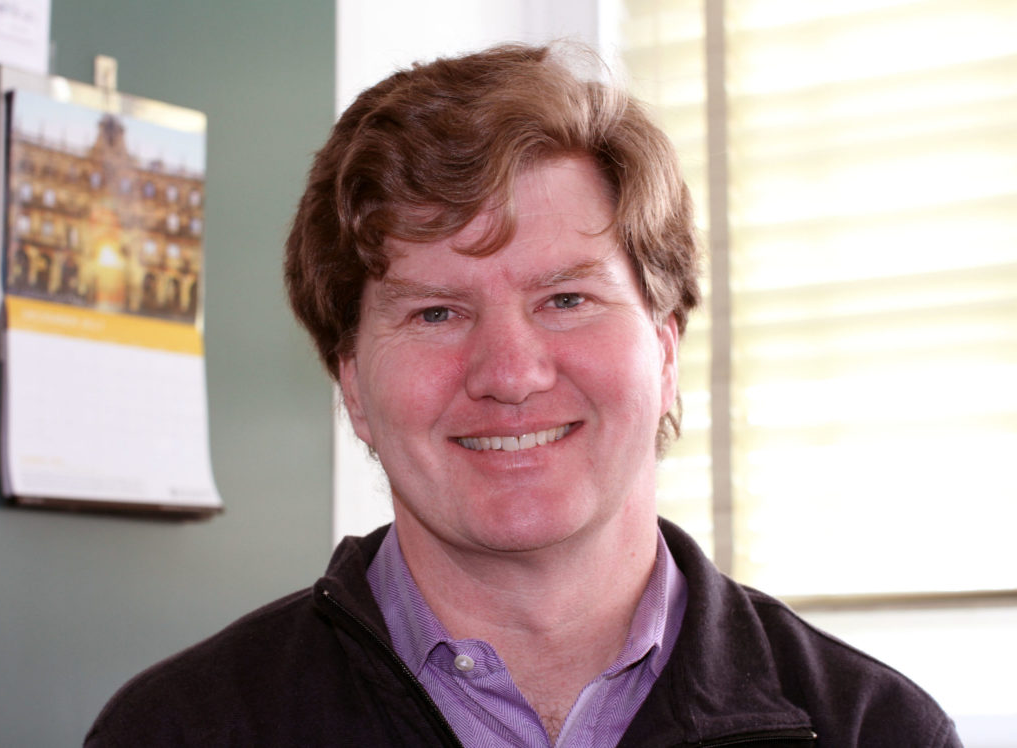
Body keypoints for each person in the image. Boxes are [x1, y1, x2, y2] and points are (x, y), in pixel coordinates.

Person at [85, 43, 961, 747]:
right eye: (435, 312)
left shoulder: (873, 730)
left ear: (664, 351)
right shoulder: (180, 731)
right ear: (352, 384)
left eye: (567, 300)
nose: (509, 374)